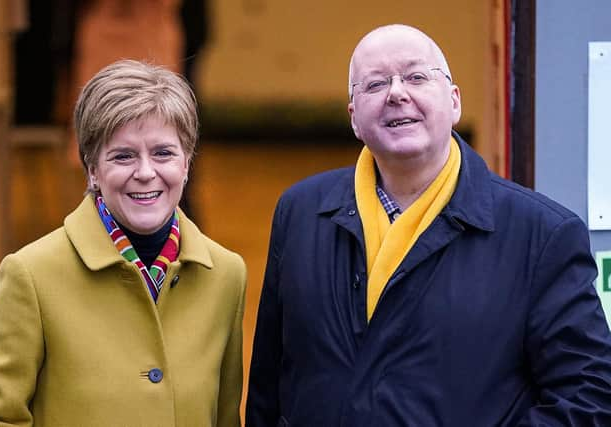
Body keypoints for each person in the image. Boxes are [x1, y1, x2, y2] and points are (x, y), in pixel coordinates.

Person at [246, 24, 611, 426]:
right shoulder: (301, 213)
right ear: (354, 118)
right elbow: (268, 390)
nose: (397, 93)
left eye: (417, 77)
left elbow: (588, 397)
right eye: (374, 84)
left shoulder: (541, 235)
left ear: (454, 101)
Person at [0, 60, 246, 426]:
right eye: (123, 156)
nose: (146, 173)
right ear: (92, 169)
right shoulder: (31, 275)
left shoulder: (226, 275)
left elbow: (225, 418)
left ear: (186, 163)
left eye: (163, 153)